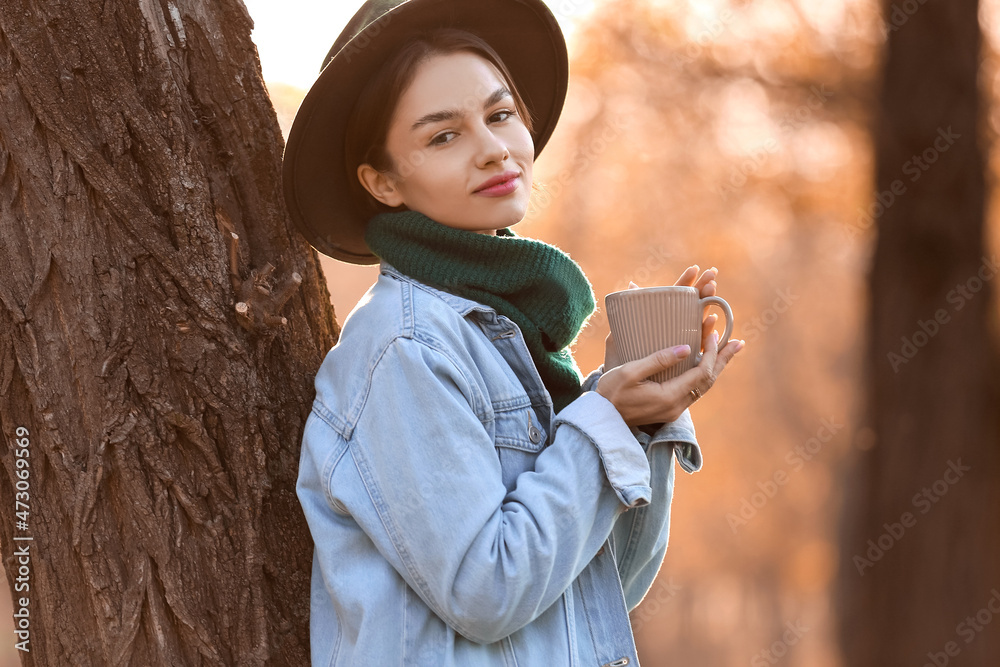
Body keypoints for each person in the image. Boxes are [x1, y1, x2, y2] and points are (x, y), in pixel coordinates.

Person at [283, 1, 745, 664]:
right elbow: (487, 591)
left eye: (500, 115)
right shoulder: (403, 350)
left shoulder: (512, 334)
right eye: (444, 136)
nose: (494, 148)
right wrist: (603, 420)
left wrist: (643, 418)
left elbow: (609, 583)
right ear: (382, 181)